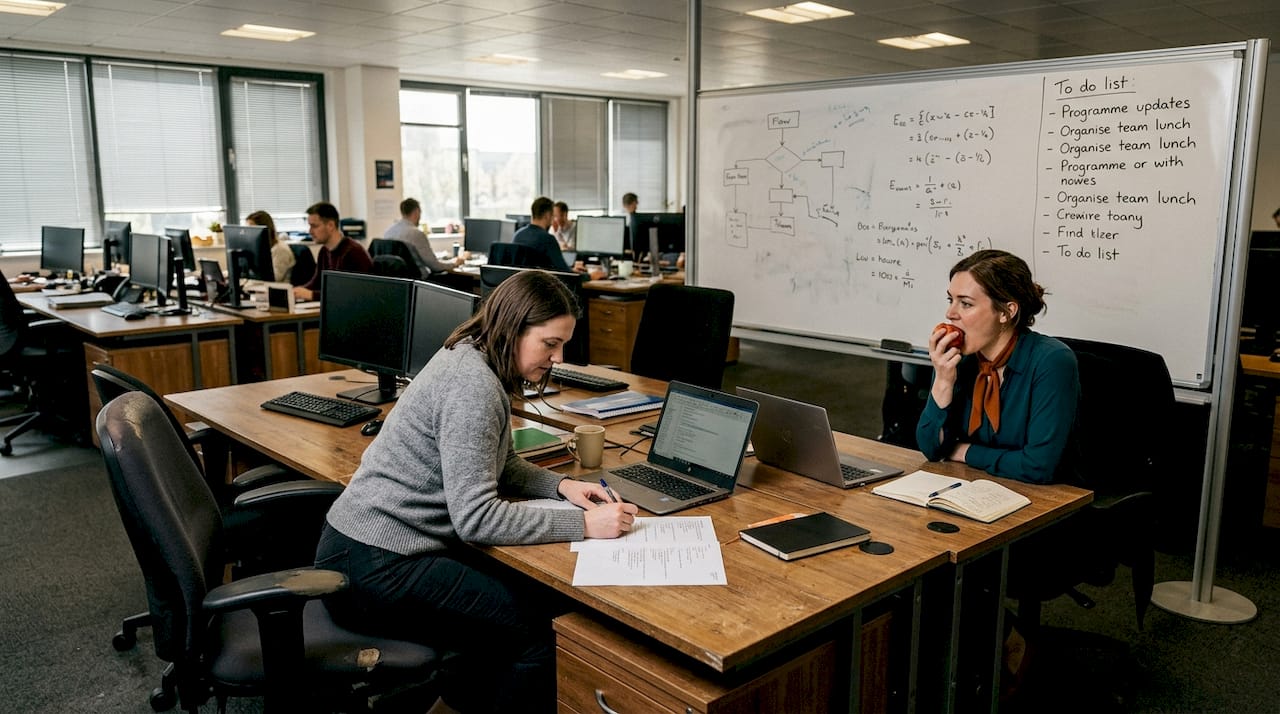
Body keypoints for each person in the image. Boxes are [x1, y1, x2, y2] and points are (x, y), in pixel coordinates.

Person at [314, 270, 637, 714]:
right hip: (377, 564)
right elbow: (477, 519)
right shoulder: (473, 386)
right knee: (534, 632)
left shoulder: (468, 354)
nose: (558, 358)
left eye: (562, 345)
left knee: (509, 604)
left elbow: (498, 462)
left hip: (363, 547)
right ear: (513, 327)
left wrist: (562, 485)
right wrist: (583, 523)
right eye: (550, 343)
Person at [915, 249, 1079, 485]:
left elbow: (1037, 467)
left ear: (1006, 312)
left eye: (966, 304)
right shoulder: (958, 358)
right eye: (951, 300)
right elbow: (932, 449)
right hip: (975, 489)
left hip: (1045, 498)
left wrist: (964, 451)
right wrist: (942, 381)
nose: (950, 313)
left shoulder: (1051, 361)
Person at [293, 201, 373, 301]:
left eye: (314, 226)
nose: (310, 231)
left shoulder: (353, 252)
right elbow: (316, 282)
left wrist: (312, 295)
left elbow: (348, 293)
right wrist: (297, 292)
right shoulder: (324, 250)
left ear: (330, 225)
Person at [383, 197, 464, 274]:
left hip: (397, 279)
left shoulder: (388, 232)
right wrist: (454, 264)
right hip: (418, 279)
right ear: (416, 212)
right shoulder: (416, 234)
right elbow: (435, 266)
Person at [512, 196, 574, 272]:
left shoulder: (517, 235)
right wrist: (582, 273)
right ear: (547, 215)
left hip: (522, 279)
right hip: (539, 278)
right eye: (553, 215)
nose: (554, 218)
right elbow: (565, 272)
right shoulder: (547, 239)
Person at [244, 210, 295, 283]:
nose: (248, 234)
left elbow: (274, 278)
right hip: (261, 286)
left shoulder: (280, 249)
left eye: (251, 230)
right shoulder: (259, 248)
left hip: (278, 288)